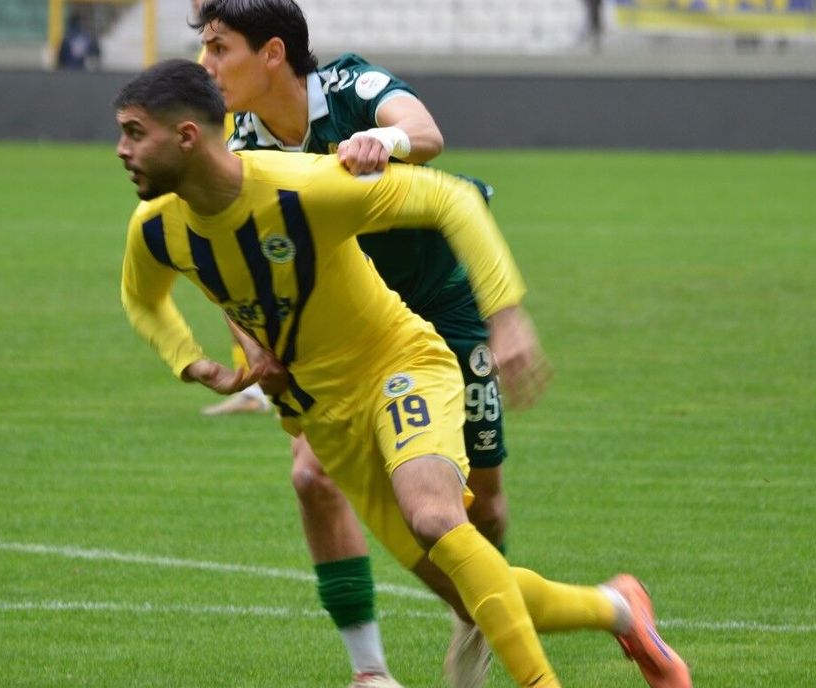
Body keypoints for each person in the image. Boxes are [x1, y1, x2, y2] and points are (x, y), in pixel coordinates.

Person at [116, 58, 691, 688]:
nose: (121, 150)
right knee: (465, 591)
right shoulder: (156, 231)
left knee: (435, 517)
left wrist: (506, 316)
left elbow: (452, 198)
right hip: (325, 418)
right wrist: (192, 360)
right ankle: (618, 609)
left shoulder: (302, 189)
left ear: (187, 136)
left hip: (400, 366)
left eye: (135, 133)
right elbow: (144, 299)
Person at [193, 0, 493, 688]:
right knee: (311, 477)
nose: (204, 67)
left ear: (273, 54)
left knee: (485, 501)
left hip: (436, 300)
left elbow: (425, 131)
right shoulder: (238, 148)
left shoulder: (350, 86)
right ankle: (370, 672)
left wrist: (383, 141)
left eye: (218, 49)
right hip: (346, 328)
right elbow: (222, 260)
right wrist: (253, 348)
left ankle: (486, 612)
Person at [186, 0, 265, 416]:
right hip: (229, 174)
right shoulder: (210, 51)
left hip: (253, 173)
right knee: (228, 277)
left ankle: (265, 381)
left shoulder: (249, 48)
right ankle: (257, 382)